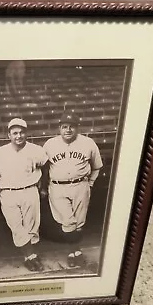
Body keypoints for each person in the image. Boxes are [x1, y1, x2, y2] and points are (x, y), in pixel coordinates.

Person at [41, 112, 103, 267]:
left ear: (77, 128)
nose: (68, 130)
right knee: (68, 222)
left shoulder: (88, 143)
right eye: (64, 127)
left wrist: (91, 183)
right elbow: (42, 168)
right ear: (59, 128)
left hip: (80, 186)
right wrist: (43, 187)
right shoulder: (50, 144)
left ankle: (75, 252)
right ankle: (73, 251)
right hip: (57, 187)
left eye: (72, 127)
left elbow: (97, 167)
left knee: (79, 223)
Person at [0, 118, 48, 272]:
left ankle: (29, 257)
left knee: (32, 227)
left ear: (26, 133)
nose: (18, 136)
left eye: (22, 132)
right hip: (8, 193)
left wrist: (43, 188)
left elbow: (46, 167)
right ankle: (31, 256)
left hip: (30, 190)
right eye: (15, 133)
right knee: (17, 227)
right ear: (8, 135)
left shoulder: (36, 150)